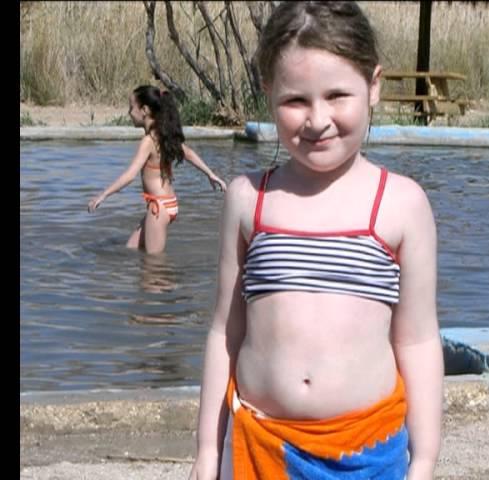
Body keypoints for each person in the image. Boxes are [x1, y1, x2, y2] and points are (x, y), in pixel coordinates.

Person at [189, 2, 443, 479]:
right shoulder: (249, 199)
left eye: (337, 95)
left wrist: (425, 459)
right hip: (260, 445)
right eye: (296, 101)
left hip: (365, 453)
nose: (317, 119)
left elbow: (418, 339)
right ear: (268, 92)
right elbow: (225, 330)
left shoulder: (400, 204)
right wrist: (207, 450)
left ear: (373, 86)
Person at [87, 85, 227, 254]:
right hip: (167, 203)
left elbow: (130, 175)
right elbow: (188, 153)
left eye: (131, 108)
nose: (129, 113)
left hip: (159, 207)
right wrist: (210, 174)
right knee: (131, 249)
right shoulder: (163, 135)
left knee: (154, 264)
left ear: (144, 110)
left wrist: (103, 194)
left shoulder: (148, 141)